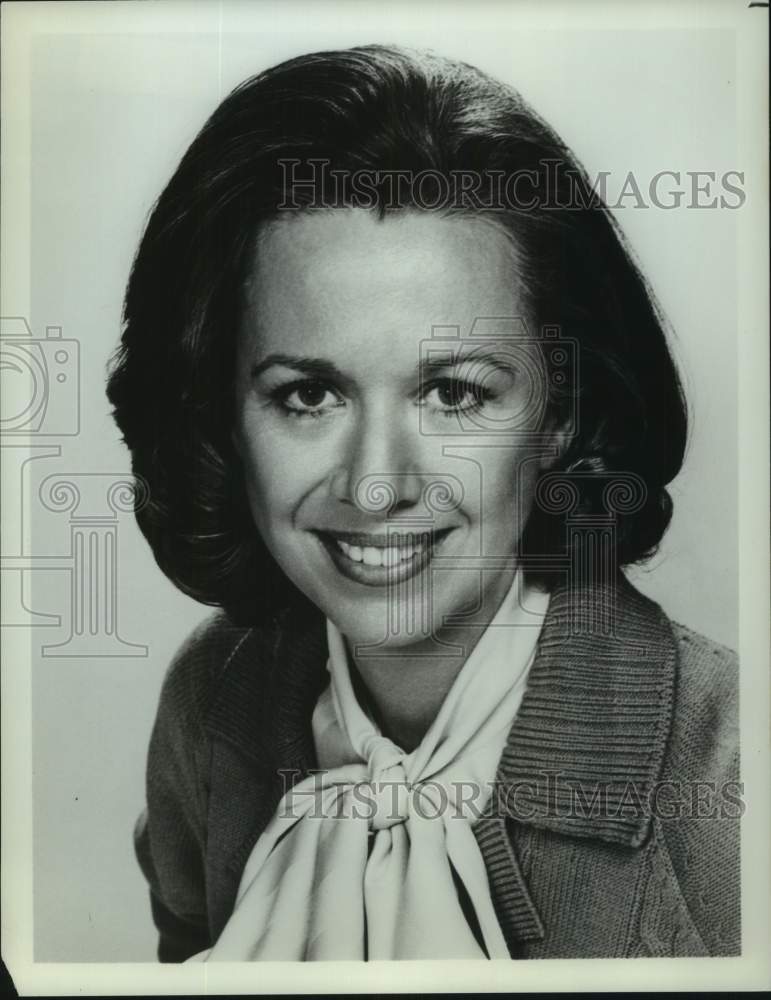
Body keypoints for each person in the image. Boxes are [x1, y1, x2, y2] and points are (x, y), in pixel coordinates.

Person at [106, 44, 740, 961]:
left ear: (561, 415)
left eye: (453, 394)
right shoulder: (214, 700)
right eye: (307, 396)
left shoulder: (729, 782)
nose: (375, 484)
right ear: (221, 419)